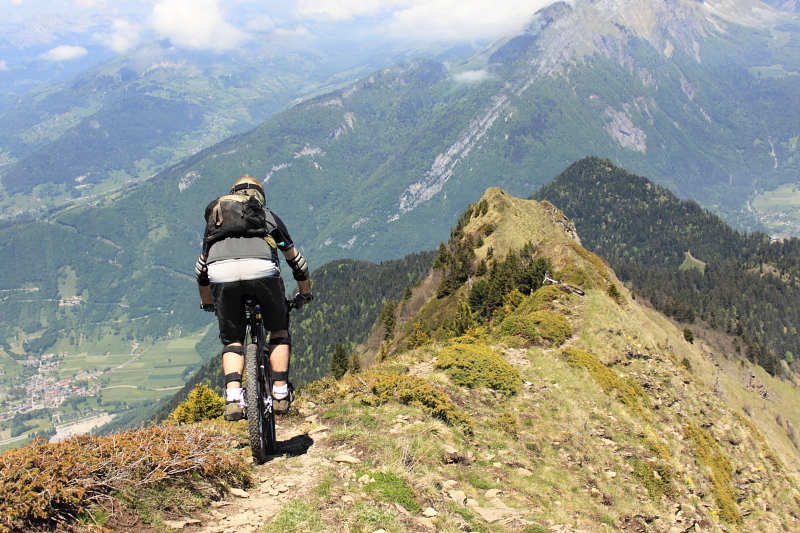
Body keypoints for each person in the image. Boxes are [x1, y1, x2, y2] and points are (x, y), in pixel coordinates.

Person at [194, 175, 313, 421]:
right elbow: (295, 260)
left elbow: (201, 270)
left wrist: (207, 300)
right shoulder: (266, 216)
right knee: (278, 330)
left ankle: (233, 397)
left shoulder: (217, 220)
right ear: (260, 195)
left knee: (233, 341)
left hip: (220, 272)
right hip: (261, 271)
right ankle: (280, 393)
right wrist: (304, 292)